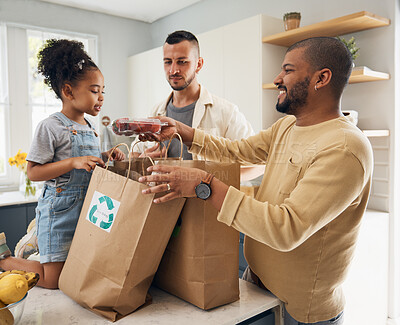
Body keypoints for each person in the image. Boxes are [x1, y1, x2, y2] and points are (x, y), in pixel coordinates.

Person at [137, 37, 373, 324]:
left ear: (321, 79)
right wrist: (183, 132)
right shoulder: (287, 126)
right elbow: (236, 152)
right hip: (258, 287)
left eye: (287, 70)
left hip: (298, 311)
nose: (277, 78)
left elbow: (287, 228)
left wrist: (204, 185)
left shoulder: (345, 148)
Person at [0, 39, 125, 289]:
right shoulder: (50, 126)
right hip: (59, 213)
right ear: (68, 92)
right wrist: (73, 162)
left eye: (103, 91)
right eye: (94, 90)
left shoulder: (90, 128)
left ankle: (34, 244)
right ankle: (5, 260)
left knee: (77, 269)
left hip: (86, 211)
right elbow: (33, 172)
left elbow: (88, 163)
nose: (101, 97)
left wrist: (106, 155)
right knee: (52, 280)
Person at [133, 30, 264, 180]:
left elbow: (258, 164)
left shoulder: (225, 112)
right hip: (162, 201)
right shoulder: (156, 111)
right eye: (168, 62)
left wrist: (211, 182)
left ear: (199, 64)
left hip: (205, 201)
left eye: (182, 62)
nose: (173, 70)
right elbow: (134, 153)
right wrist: (141, 158)